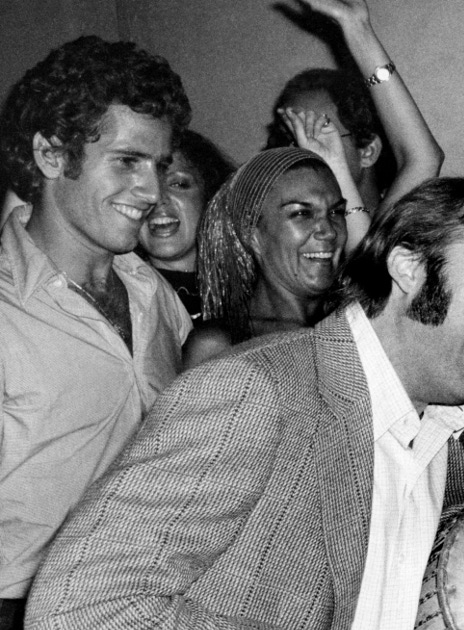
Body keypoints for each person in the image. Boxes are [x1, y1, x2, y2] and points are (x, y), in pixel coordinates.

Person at [24, 177, 464, 630]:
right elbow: (77, 611)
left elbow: (345, 625)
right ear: (409, 266)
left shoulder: (435, 437)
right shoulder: (258, 394)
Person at [0, 35, 192, 630]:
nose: (153, 190)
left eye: (160, 165)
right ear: (52, 155)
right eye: (127, 162)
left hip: (141, 622)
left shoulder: (154, 295)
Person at [266, 0, 443, 222]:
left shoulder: (388, 241)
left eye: (314, 133)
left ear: (367, 152)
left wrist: (357, 28)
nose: (296, 152)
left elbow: (423, 159)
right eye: (287, 138)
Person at [185, 147, 347, 368]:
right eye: (302, 214)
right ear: (252, 233)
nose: (328, 231)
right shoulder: (220, 346)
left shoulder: (354, 322)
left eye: (336, 212)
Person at [138, 129, 235, 317]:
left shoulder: (254, 287)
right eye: (144, 186)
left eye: (178, 184)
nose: (158, 198)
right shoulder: (122, 295)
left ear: (210, 197)